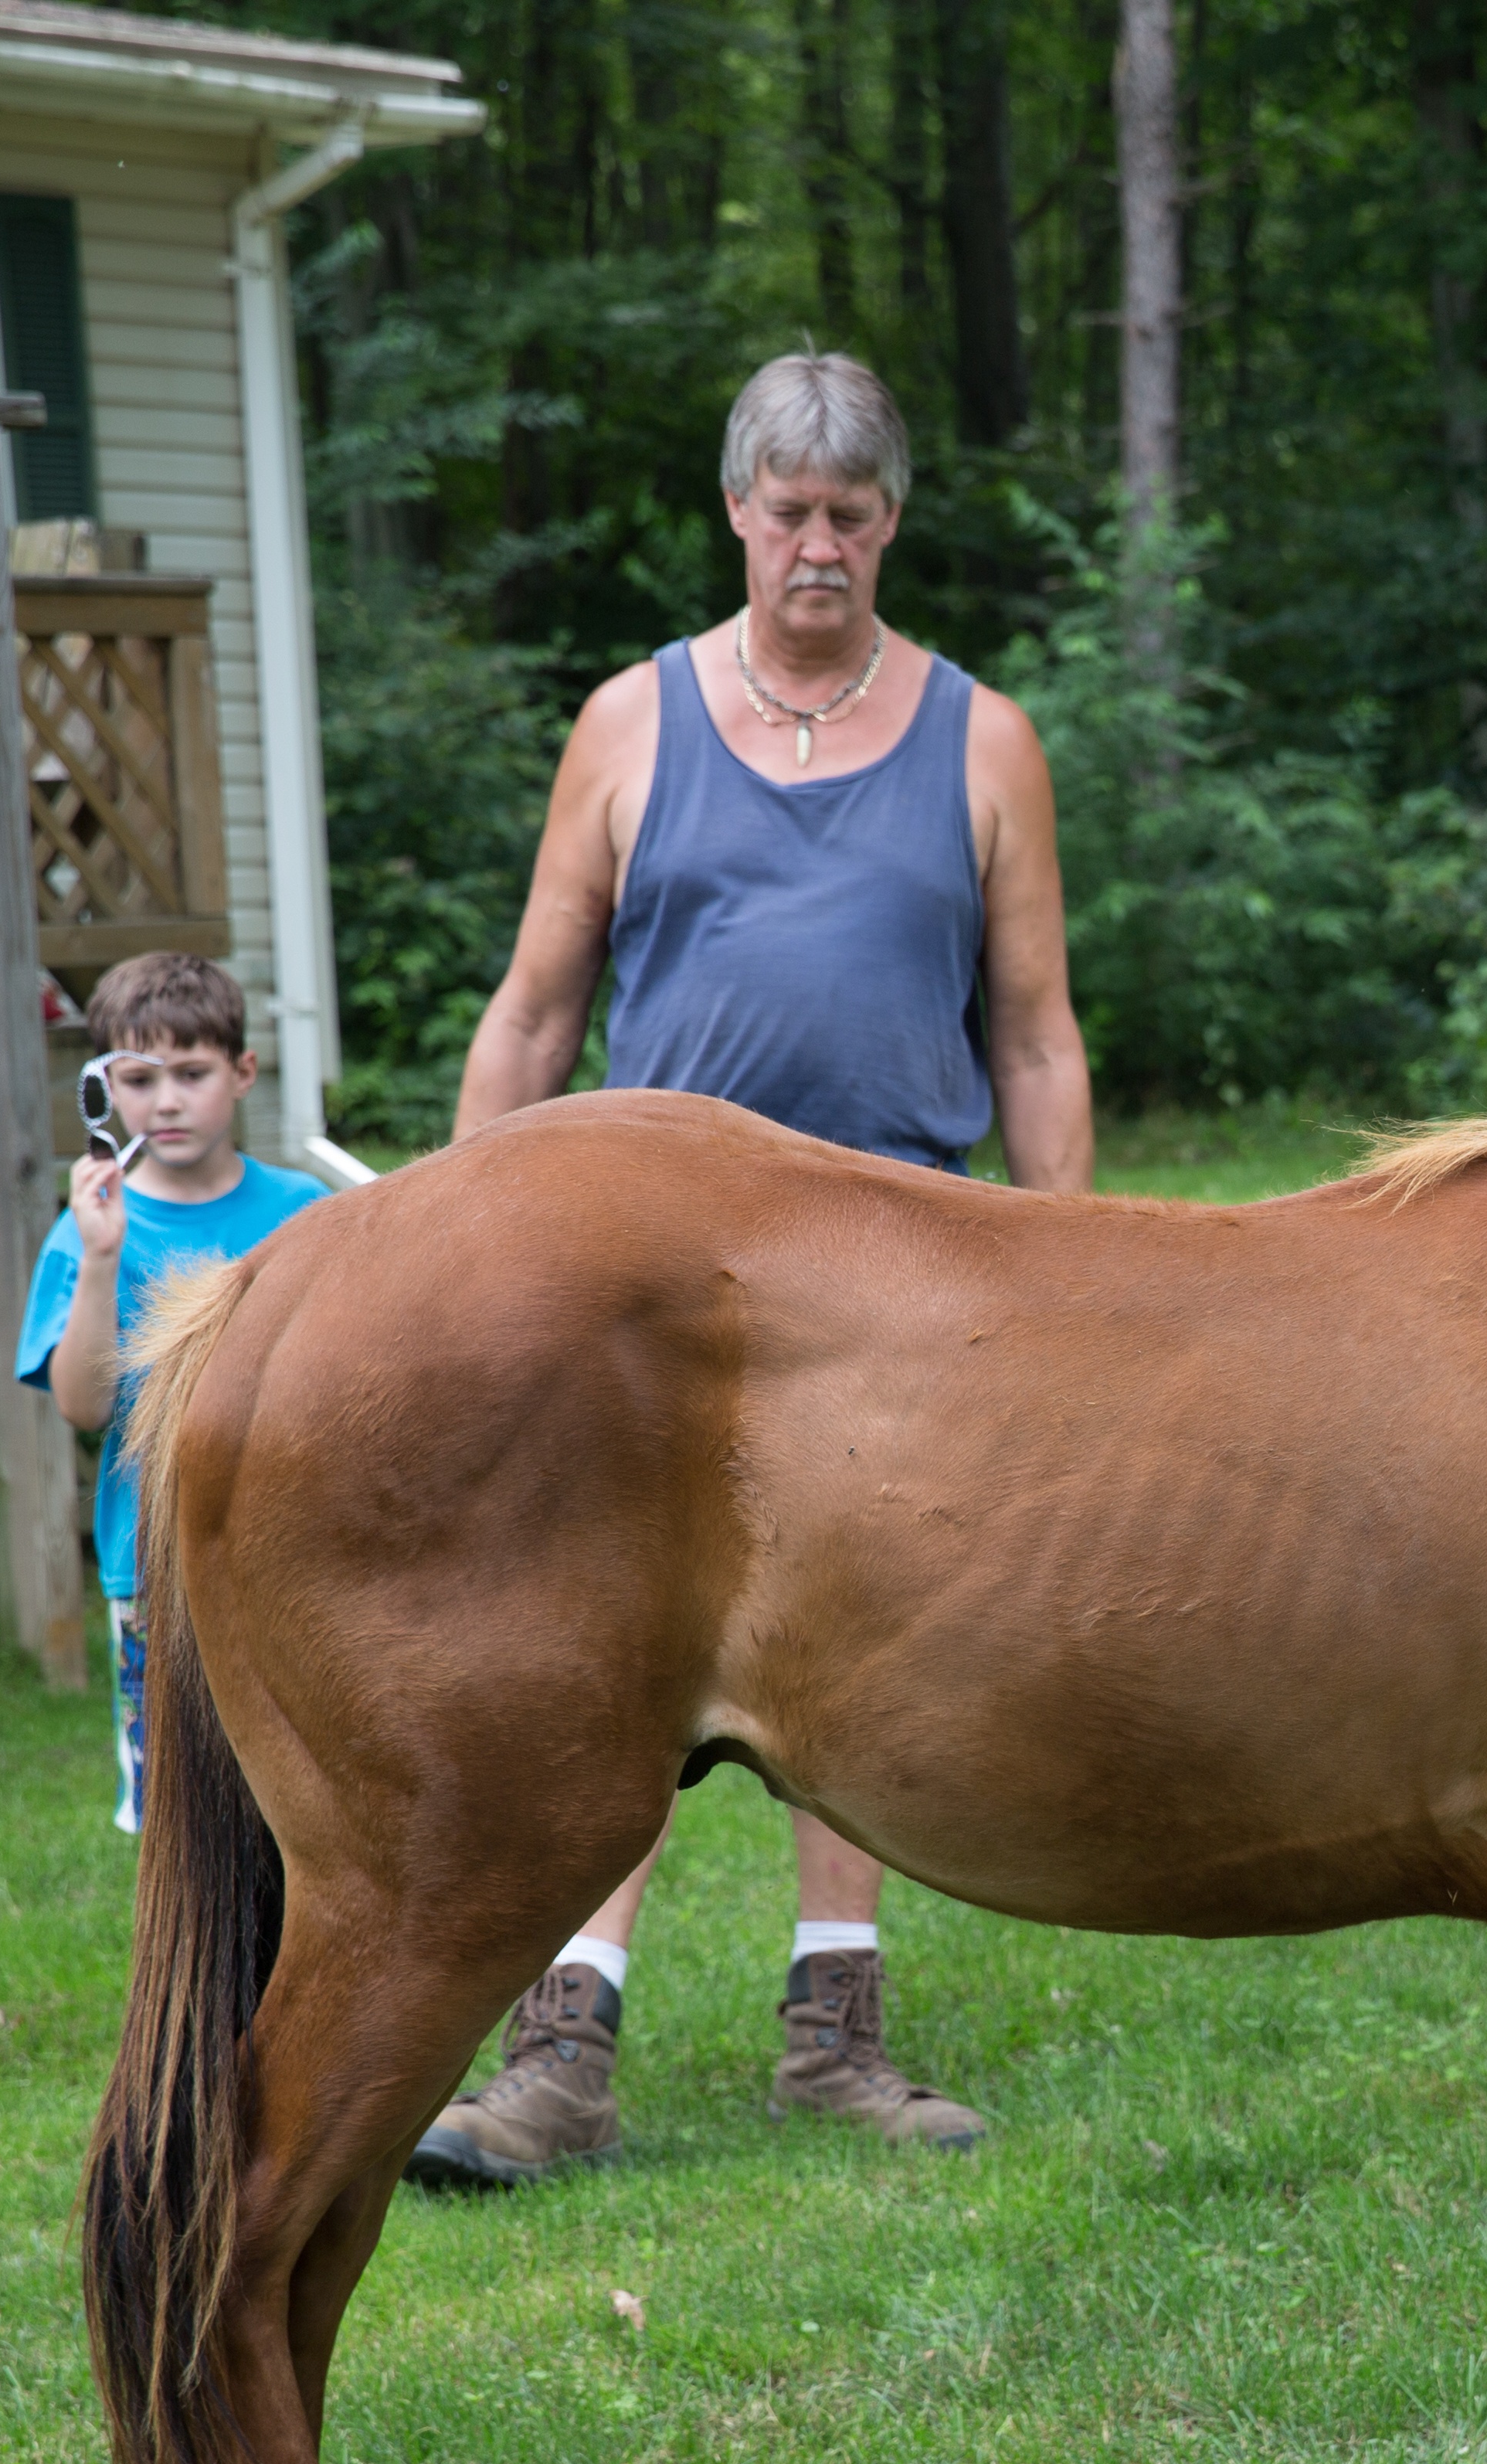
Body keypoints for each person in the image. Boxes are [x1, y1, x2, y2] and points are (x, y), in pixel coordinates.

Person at [408, 348, 1095, 2190]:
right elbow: (539, 1003)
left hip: (896, 1261)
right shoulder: (629, 724)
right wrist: (469, 1252)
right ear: (735, 513)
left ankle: (834, 2037)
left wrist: (1069, 1266)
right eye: (786, 511)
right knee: (603, 1648)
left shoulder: (983, 738)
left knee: (858, 1650)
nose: (817, 547)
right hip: (650, 1272)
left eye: (850, 516)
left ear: (889, 525)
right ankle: (557, 2051)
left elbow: (1031, 1032)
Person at [18, 953, 334, 1832]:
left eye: (191, 1074)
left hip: (302, 1555)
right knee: (187, 1817)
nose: (165, 1102)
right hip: (159, 1570)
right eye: (139, 1078)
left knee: (310, 1797)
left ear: (241, 1074)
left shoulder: (308, 1214)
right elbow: (83, 1407)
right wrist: (102, 1256)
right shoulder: (88, 1235)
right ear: (103, 1088)